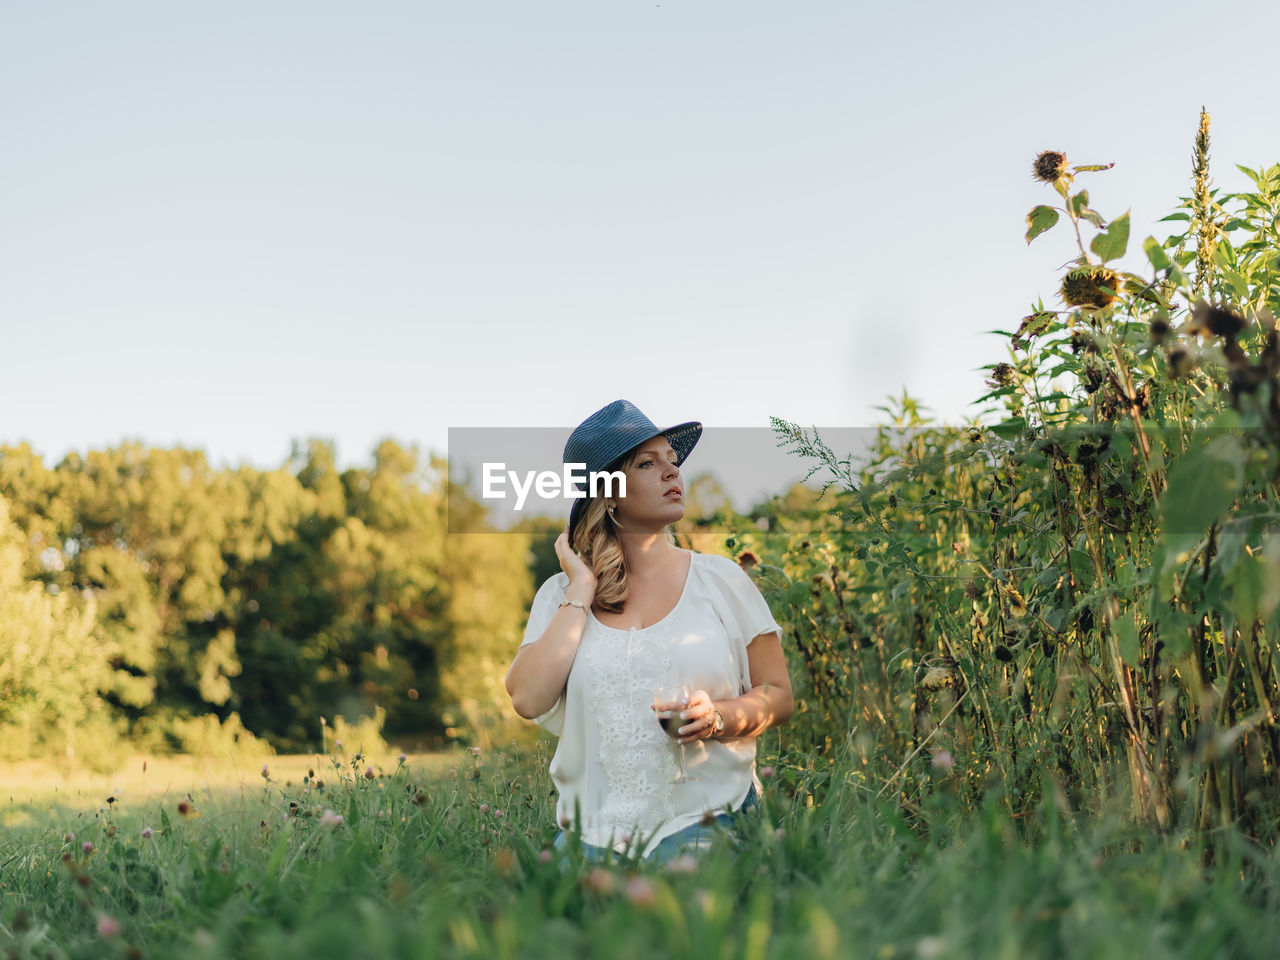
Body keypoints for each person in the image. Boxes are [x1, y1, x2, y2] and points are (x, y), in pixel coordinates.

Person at [505, 399, 794, 862]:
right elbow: (527, 699)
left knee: (675, 899)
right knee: (567, 915)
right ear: (610, 492)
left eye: (672, 462)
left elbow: (778, 693)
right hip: (594, 830)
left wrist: (720, 716)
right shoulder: (560, 595)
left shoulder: (720, 581)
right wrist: (582, 587)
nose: (672, 473)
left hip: (707, 814)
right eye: (647, 463)